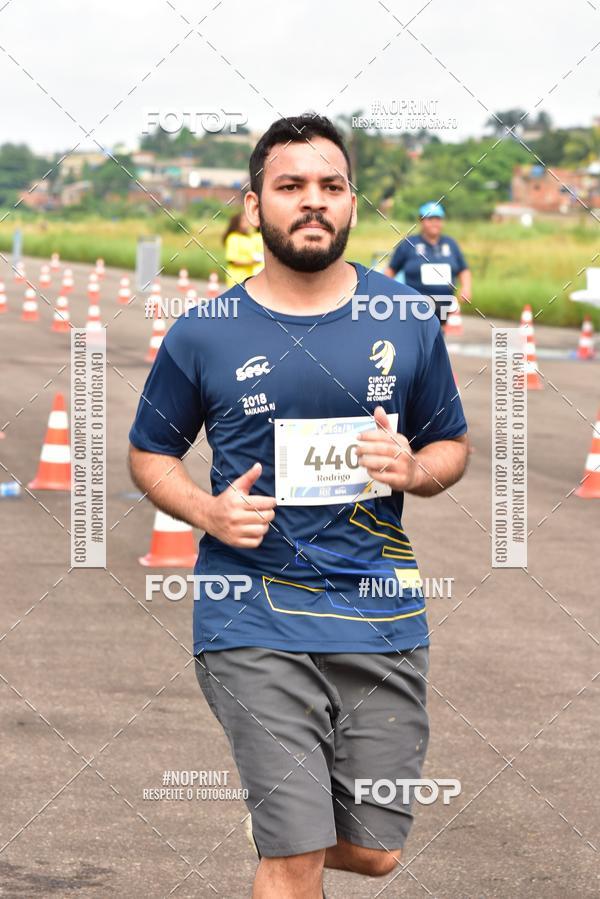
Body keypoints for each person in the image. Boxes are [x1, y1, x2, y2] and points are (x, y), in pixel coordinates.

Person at [128, 114, 469, 899]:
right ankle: (290, 829)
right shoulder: (205, 332)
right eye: (290, 186)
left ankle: (290, 826)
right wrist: (207, 512)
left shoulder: (406, 318)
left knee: (375, 852)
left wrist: (414, 467)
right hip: (251, 613)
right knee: (296, 857)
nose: (313, 200)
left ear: (351, 202)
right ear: (255, 205)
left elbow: (451, 445)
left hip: (380, 614)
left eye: (330, 185)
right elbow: (150, 453)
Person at [384, 202, 471, 327]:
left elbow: (463, 269)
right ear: (421, 220)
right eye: (430, 219)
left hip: (443, 307)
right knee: (418, 335)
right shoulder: (409, 244)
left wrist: (466, 288)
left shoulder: (450, 244)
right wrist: (386, 293)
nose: (434, 223)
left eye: (438, 219)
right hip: (415, 307)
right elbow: (391, 270)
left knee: (437, 335)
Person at [223, 211, 255, 287]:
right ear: (237, 223)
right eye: (244, 221)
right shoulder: (233, 238)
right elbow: (233, 260)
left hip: (249, 278)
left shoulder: (249, 238)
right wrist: (250, 262)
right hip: (236, 279)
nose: (247, 223)